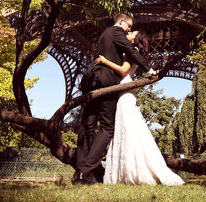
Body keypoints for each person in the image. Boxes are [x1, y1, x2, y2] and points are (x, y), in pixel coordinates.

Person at [96, 30, 184, 186]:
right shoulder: (133, 52)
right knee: (127, 129)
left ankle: (131, 171)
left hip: (125, 92)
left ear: (135, 40)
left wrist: (104, 61)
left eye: (131, 33)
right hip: (126, 90)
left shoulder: (133, 51)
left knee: (126, 130)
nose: (128, 33)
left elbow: (123, 71)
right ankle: (130, 170)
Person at [76, 13, 149, 185]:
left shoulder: (109, 36)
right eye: (129, 26)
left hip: (96, 81)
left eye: (131, 30)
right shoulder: (117, 34)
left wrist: (105, 62)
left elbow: (124, 64)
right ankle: (86, 170)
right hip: (107, 83)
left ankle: (83, 172)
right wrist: (150, 70)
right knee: (106, 128)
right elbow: (128, 54)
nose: (129, 30)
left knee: (88, 125)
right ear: (121, 22)